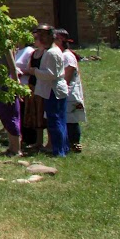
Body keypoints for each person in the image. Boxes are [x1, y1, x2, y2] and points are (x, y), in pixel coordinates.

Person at [32, 25, 76, 157]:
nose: (38, 40)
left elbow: (51, 74)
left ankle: (59, 150)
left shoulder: (52, 52)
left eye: (40, 37)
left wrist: (35, 71)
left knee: (55, 120)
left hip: (53, 90)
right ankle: (63, 148)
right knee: (59, 120)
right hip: (53, 89)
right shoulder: (50, 51)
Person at [0, 41, 23, 156]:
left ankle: (16, 149)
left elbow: (12, 67)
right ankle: (11, 146)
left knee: (11, 115)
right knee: (4, 114)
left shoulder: (6, 46)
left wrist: (16, 86)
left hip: (6, 84)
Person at [56, 28, 85, 152]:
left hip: (70, 92)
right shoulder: (62, 54)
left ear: (60, 40)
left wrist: (64, 87)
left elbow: (69, 72)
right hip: (65, 92)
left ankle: (75, 144)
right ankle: (67, 143)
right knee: (66, 119)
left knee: (71, 119)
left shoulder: (67, 55)